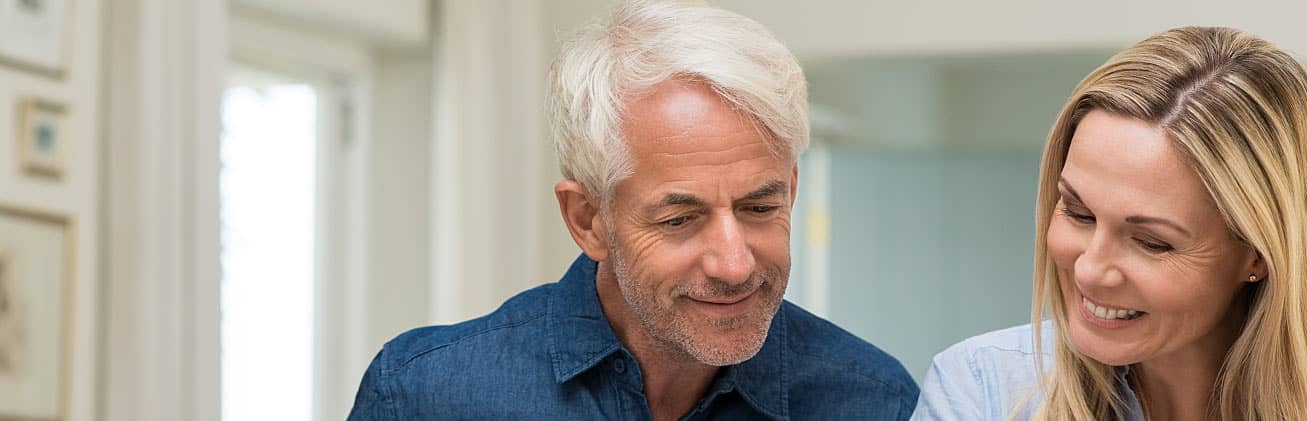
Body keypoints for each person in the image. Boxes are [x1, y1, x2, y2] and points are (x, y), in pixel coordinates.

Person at [348, 1, 918, 420]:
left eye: (759, 206)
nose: (734, 264)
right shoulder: (427, 395)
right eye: (679, 219)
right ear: (587, 220)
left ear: (790, 191)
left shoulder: (873, 401)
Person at [913, 26, 1307, 421]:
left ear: (1258, 253)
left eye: (1151, 242)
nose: (1090, 271)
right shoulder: (983, 391)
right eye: (1078, 213)